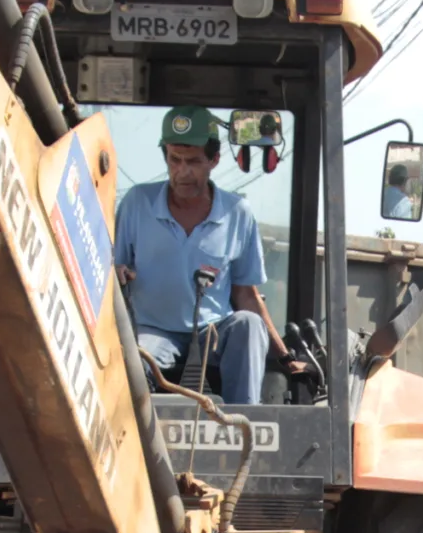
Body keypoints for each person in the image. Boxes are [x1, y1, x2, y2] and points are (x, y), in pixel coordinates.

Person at [114, 105, 306, 406]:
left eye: (193, 161)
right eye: (174, 160)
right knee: (130, 354)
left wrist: (285, 358)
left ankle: (243, 432)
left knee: (248, 325)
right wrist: (119, 273)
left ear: (214, 160)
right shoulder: (137, 203)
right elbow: (113, 272)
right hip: (151, 332)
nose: (182, 171)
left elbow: (246, 295)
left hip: (212, 334)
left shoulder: (237, 213)